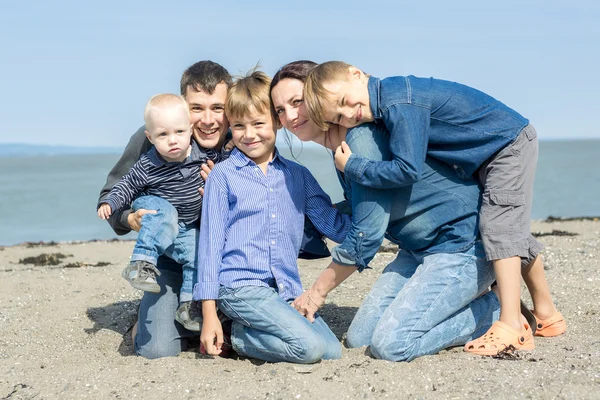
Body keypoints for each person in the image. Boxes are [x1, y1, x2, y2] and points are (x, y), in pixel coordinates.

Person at [302, 61, 565, 355]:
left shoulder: (398, 101)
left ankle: (510, 320)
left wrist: (353, 165)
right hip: (479, 156)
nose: (349, 114)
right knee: (505, 225)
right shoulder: (381, 114)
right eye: (339, 115)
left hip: (506, 144)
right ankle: (545, 311)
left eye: (344, 103)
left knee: (501, 229)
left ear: (356, 73)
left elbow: (407, 169)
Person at [272, 60, 503, 362]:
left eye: (297, 102)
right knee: (359, 340)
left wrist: (316, 293)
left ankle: (493, 308)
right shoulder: (339, 147)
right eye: (280, 110)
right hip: (416, 251)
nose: (290, 116)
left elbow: (366, 236)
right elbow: (368, 207)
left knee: (392, 346)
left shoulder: (360, 142)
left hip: (460, 245)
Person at [98, 61, 332, 359]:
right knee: (157, 349)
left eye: (217, 108)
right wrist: (131, 219)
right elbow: (113, 193)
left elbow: (272, 192)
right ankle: (155, 317)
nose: (208, 120)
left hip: (230, 266)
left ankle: (219, 323)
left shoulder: (241, 137)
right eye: (197, 108)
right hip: (177, 260)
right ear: (183, 106)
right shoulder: (158, 136)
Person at [195, 70, 351, 363]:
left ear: (278, 122)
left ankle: (247, 330)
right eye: (239, 126)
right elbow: (210, 246)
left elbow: (336, 227)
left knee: (331, 351)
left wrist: (358, 178)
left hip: (285, 290)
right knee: (308, 349)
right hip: (239, 287)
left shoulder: (297, 176)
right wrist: (208, 315)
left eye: (258, 123)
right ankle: (236, 336)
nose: (249, 134)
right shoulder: (223, 177)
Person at [98, 93, 229, 332]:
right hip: (158, 212)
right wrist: (112, 205)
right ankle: (142, 264)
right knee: (163, 210)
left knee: (198, 252)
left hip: (186, 227)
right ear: (150, 137)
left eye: (179, 133)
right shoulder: (148, 163)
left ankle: (189, 305)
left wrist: (221, 176)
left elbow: (227, 163)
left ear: (190, 129)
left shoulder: (204, 154)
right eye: (163, 135)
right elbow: (125, 185)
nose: (172, 141)